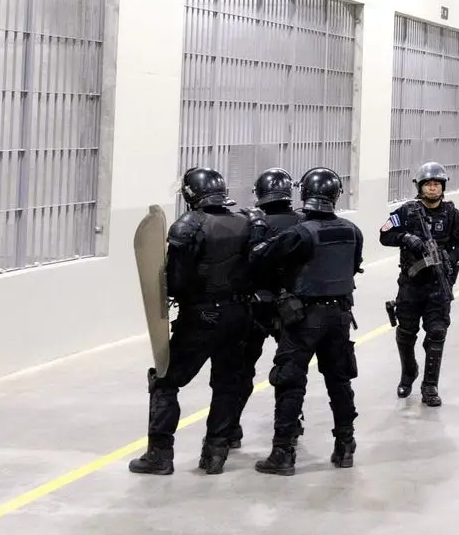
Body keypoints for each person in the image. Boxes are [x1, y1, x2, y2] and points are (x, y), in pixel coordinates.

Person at [128, 167, 256, 476]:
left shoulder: (187, 226)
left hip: (200, 317)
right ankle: (215, 454)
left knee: (164, 381)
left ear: (189, 195)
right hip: (239, 317)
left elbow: (176, 280)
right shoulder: (245, 222)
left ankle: (160, 455)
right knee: (227, 385)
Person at [248, 167, 364, 476]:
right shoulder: (352, 230)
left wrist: (258, 227)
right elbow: (354, 268)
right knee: (339, 382)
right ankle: (345, 447)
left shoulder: (301, 233)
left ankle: (283, 453)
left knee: (290, 381)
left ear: (304, 195)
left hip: (304, 318)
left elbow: (260, 258)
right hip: (340, 316)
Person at [380, 162, 459, 407]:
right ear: (420, 187)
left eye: (437, 184)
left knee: (437, 334)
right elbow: (384, 235)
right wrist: (406, 238)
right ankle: (408, 372)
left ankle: (430, 385)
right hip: (410, 285)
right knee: (406, 334)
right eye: (428, 184)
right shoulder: (407, 211)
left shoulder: (451, 213)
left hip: (437, 287)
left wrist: (448, 259)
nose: (433, 189)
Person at [232, 167, 303, 453]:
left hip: (254, 306)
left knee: (240, 371)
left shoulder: (246, 223)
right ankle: (289, 427)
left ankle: (229, 429)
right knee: (289, 371)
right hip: (293, 308)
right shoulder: (303, 222)